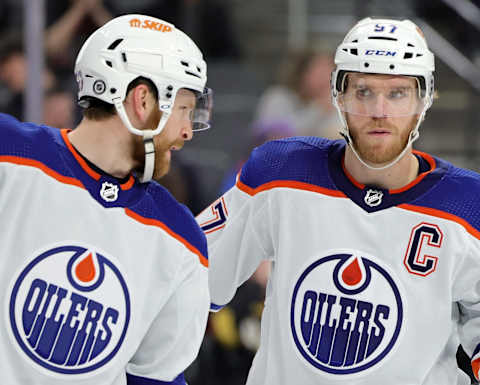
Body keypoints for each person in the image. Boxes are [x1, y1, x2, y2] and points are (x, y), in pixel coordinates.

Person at [197, 17, 480, 385]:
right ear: (338, 96)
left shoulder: (469, 204)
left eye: (397, 93)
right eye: (363, 91)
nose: (380, 110)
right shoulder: (280, 172)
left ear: (422, 101)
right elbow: (186, 275)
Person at [0, 14, 213, 385]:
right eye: (184, 109)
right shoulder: (8, 155)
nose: (186, 131)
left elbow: (157, 377)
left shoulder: (181, 237)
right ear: (142, 100)